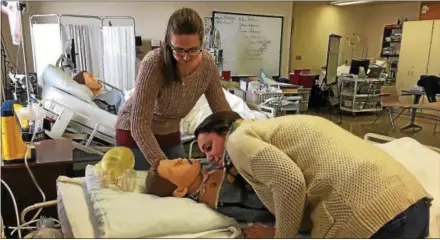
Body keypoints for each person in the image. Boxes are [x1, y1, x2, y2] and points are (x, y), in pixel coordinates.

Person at [157, 111, 431, 238]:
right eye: (201, 154)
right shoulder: (271, 130)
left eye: (209, 147)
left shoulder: (238, 141)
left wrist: (279, 237)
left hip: (373, 219)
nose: (208, 157)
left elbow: (289, 183)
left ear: (224, 131)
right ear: (179, 191)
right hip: (411, 200)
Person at [115, 8, 231, 170]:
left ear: (201, 43)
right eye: (178, 50)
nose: (185, 56)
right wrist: (165, 167)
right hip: (135, 132)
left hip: (170, 133)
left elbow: (222, 111)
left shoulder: (207, 64)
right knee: (151, 186)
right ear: (169, 44)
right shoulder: (153, 63)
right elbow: (139, 124)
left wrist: (238, 134)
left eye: (192, 49)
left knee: (185, 177)